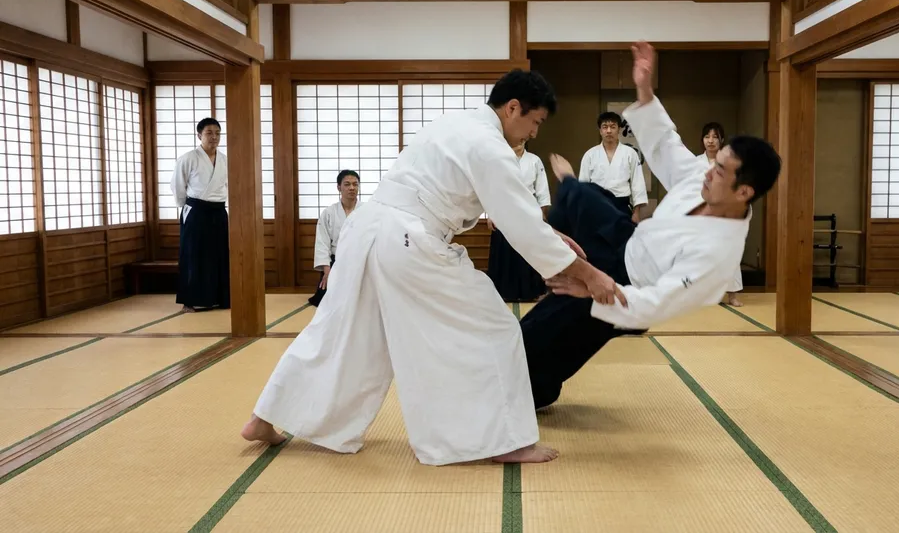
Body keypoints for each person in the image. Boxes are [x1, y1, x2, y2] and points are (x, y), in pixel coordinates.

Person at [241, 69, 625, 465]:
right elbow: (519, 221)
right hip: (409, 241)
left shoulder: (454, 123)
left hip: (367, 232)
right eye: (535, 122)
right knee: (494, 326)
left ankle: (264, 417)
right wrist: (589, 273)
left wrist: (549, 239)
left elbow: (516, 216)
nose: (534, 133)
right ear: (513, 108)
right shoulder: (489, 146)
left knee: (339, 334)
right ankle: (504, 440)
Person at [521, 41, 781, 409]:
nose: (708, 172)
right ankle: (569, 191)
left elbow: (659, 303)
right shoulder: (703, 177)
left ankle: (535, 387)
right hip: (627, 241)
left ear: (744, 192)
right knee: (579, 196)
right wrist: (645, 91)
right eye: (713, 161)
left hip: (627, 288)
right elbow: (666, 146)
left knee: (540, 340)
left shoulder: (717, 257)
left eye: (720, 170)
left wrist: (593, 291)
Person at [171, 118, 229, 313]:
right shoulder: (188, 158)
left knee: (219, 254)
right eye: (209, 133)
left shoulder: (224, 160)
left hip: (218, 210)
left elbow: (229, 186)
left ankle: (218, 298)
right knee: (193, 254)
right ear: (199, 135)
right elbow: (178, 186)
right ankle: (191, 300)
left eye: (217, 133)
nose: (214, 137)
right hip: (196, 210)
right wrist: (186, 207)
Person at [486, 140, 551, 301]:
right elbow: (492, 188)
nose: (519, 143)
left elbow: (542, 189)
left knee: (528, 252)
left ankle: (531, 291)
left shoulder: (534, 160)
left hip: (529, 210)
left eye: (522, 140)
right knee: (505, 253)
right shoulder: (499, 159)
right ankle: (504, 291)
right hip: (504, 210)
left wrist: (542, 214)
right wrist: (490, 214)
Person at [696, 122, 745, 307]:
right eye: (707, 137)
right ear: (702, 140)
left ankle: (732, 294)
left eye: (714, 137)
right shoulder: (695, 162)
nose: (710, 141)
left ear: (721, 140)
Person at [579, 111, 648, 223]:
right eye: (605, 127)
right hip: (597, 207)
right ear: (600, 131)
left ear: (619, 129)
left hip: (622, 206)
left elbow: (637, 183)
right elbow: (583, 186)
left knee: (622, 239)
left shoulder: (630, 153)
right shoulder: (590, 155)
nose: (609, 131)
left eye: (613, 127)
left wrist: (636, 213)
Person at [309, 170, 361, 307]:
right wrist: (327, 269)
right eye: (347, 184)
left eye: (355, 184)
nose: (352, 188)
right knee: (326, 300)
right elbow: (322, 242)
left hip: (360, 260)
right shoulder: (329, 213)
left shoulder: (367, 211)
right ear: (339, 187)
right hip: (336, 261)